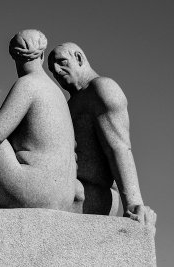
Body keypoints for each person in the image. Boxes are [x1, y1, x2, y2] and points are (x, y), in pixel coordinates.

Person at [0, 30, 84, 211]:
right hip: (62, 197)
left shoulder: (28, 83)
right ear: (42, 55)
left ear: (14, 56)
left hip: (33, 189)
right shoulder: (54, 91)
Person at [48, 42, 156, 226]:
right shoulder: (70, 104)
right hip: (69, 187)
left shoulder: (102, 88)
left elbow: (118, 147)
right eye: (52, 69)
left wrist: (134, 204)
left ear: (79, 58)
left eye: (62, 62)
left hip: (92, 195)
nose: (57, 71)